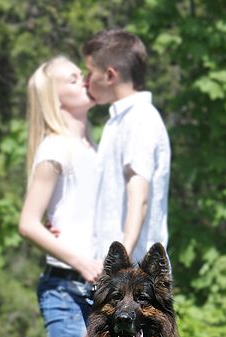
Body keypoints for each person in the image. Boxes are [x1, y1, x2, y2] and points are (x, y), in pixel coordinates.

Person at [18, 56, 103, 337]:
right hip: (67, 288)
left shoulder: (93, 145)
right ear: (55, 98)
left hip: (94, 288)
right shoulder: (55, 148)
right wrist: (81, 261)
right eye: (73, 77)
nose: (85, 79)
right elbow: (28, 223)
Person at [83, 29, 171, 263]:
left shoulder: (140, 119)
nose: (85, 81)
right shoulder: (118, 121)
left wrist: (120, 260)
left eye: (90, 72)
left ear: (110, 75)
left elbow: (139, 197)